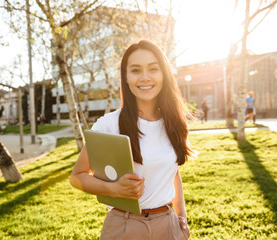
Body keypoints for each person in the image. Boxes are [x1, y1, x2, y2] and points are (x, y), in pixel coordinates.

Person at [70, 40, 196, 239]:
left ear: (163, 74)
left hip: (169, 225)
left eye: (153, 69)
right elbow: (77, 176)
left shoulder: (173, 123)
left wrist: (182, 217)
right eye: (136, 70)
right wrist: (115, 189)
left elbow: (173, 172)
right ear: (126, 77)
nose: (145, 77)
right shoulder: (109, 125)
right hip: (125, 225)